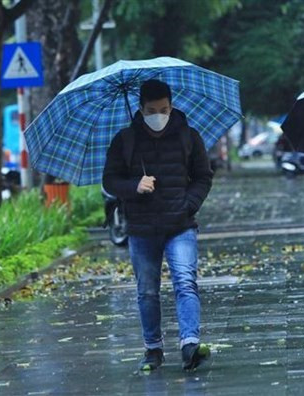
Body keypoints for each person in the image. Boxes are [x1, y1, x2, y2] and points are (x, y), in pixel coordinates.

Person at [103, 79, 213, 371]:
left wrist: (188, 205)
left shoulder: (189, 137)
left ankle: (190, 344)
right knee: (147, 291)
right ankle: (153, 348)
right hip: (141, 228)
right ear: (141, 109)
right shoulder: (125, 140)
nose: (158, 116)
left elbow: (203, 177)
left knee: (185, 282)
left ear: (171, 105)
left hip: (181, 225)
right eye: (152, 110)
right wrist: (133, 186)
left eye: (164, 109)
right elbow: (109, 180)